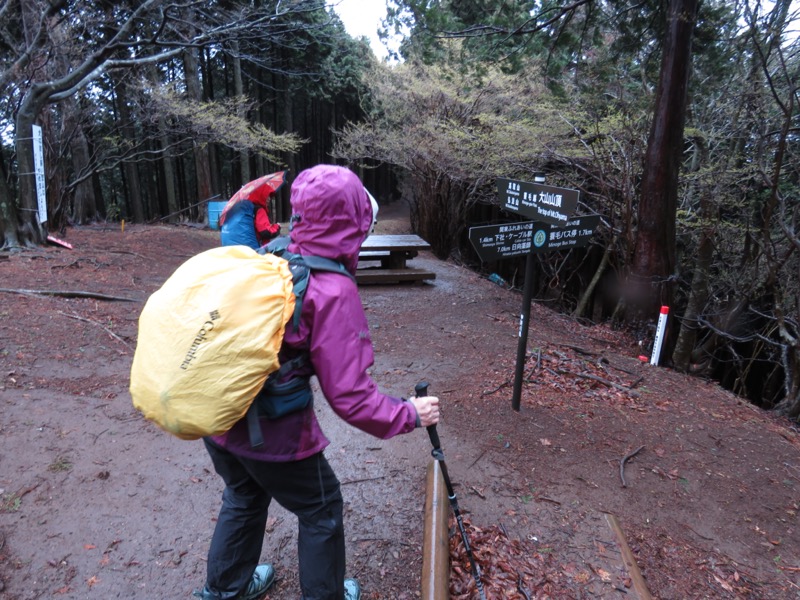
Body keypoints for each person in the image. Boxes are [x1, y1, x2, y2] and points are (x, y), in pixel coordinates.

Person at [193, 165, 440, 600]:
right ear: (353, 221)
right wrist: (408, 414)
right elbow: (350, 397)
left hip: (218, 408)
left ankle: (224, 589)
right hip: (269, 430)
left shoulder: (273, 250)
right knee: (322, 508)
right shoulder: (332, 289)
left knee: (245, 493)